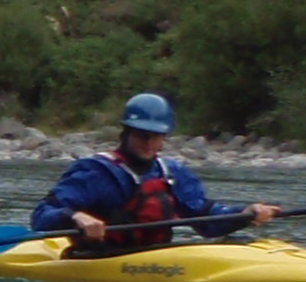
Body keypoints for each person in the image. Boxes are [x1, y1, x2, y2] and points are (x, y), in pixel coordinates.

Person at [30, 92, 280, 253]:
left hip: (156, 261)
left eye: (156, 136)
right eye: (142, 135)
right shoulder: (95, 171)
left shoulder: (171, 171)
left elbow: (206, 219)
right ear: (126, 133)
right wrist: (75, 217)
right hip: (100, 261)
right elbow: (42, 216)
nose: (149, 143)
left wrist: (245, 214)